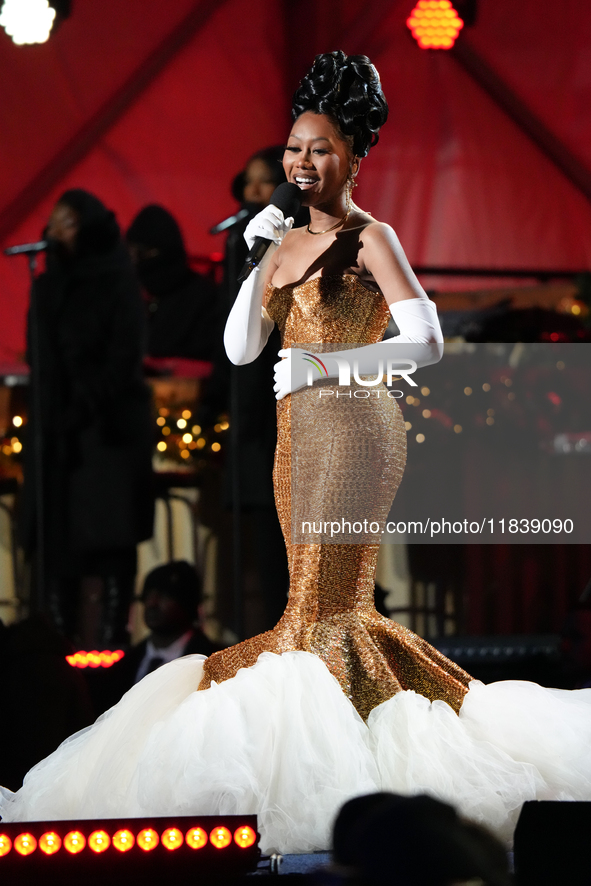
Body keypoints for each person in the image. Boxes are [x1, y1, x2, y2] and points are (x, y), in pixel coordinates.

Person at [3, 53, 591, 858]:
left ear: (351, 154)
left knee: (330, 606)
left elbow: (424, 343)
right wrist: (256, 256)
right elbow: (239, 349)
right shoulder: (277, 242)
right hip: (295, 433)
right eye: (292, 149)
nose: (300, 163)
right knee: (304, 607)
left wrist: (329, 364)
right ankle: (351, 741)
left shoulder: (370, 236)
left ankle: (362, 772)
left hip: (356, 424)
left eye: (317, 149)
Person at [20, 189, 154, 648]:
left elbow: (123, 358)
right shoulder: (48, 285)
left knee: (108, 539)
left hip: (106, 434)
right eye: (52, 223)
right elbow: (40, 358)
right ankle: (57, 645)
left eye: (67, 223)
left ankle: (111, 646)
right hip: (60, 436)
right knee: (57, 541)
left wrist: (81, 407)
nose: (54, 232)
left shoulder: (118, 281)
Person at [92, 561, 223, 714]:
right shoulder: (122, 668)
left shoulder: (215, 662)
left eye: (165, 595)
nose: (152, 603)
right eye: (147, 596)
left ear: (187, 602)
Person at [126, 204, 219, 361]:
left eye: (143, 253)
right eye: (130, 253)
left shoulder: (203, 298)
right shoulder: (130, 295)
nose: (135, 261)